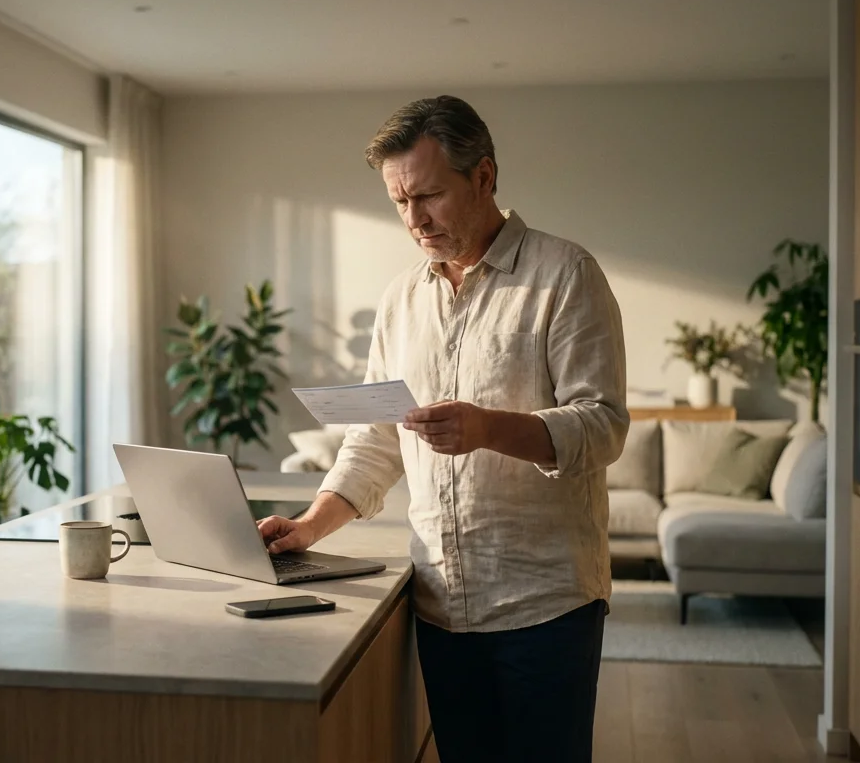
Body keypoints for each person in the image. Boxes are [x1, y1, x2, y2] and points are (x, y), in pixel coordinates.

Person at [258, 95, 628, 762]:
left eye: (428, 195)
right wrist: (309, 526)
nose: (413, 219)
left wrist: (488, 428)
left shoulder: (566, 276)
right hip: (438, 603)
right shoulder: (402, 299)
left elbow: (602, 428)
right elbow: (373, 438)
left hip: (544, 605)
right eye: (399, 202)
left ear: (483, 177)